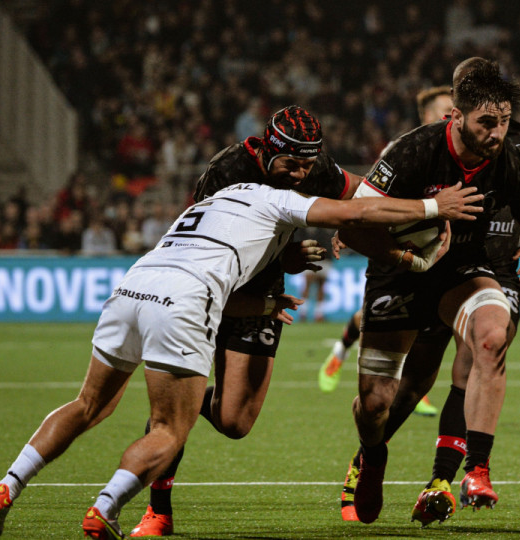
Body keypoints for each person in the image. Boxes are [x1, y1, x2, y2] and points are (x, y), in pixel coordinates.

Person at [0, 169, 484, 539]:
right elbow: (355, 211)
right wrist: (432, 207)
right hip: (182, 301)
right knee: (168, 428)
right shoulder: (278, 201)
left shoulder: (215, 199)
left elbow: (219, 276)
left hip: (133, 285)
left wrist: (269, 299)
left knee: (88, 405)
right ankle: (105, 508)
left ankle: (6, 487)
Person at [339, 58, 520, 525]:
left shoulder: (512, 163)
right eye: (487, 122)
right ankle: (372, 457)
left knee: (491, 334)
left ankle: (475, 470)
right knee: (378, 402)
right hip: (398, 270)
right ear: (456, 116)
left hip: (461, 268)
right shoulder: (411, 151)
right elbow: (354, 225)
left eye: (503, 122)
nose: (497, 133)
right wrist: (428, 211)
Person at [126, 106, 366, 537]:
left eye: (307, 165)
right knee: (174, 413)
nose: (299, 174)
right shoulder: (228, 170)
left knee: (235, 422)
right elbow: (203, 244)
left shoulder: (314, 167)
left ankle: (192, 397)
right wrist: (284, 257)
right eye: (290, 163)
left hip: (266, 294)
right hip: (214, 289)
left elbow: (364, 193)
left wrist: (361, 223)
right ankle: (158, 510)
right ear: (268, 150)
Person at [317, 87, 456, 422]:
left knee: (426, 319)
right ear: (426, 116)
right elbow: (370, 194)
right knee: (382, 316)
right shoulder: (404, 148)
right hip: (397, 244)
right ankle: (339, 353)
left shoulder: (455, 151)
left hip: (432, 246)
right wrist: (352, 225)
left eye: (454, 112)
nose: (451, 117)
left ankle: (411, 387)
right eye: (444, 112)